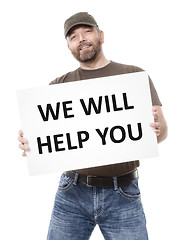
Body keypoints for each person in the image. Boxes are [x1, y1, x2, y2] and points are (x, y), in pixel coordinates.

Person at [18, 12, 168, 240]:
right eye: (73, 36)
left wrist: (157, 130)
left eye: (87, 31)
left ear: (101, 35)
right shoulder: (58, 86)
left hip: (123, 193)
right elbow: (44, 137)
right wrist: (31, 142)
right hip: (72, 192)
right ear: (68, 46)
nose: (82, 39)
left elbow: (161, 133)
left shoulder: (133, 76)